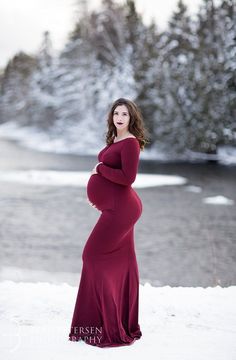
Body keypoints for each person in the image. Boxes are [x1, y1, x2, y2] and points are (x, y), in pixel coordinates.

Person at [68, 98, 149, 347]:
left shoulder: (131, 143)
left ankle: (109, 325)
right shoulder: (115, 139)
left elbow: (127, 178)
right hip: (115, 208)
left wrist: (100, 169)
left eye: (125, 114)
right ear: (111, 117)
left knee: (91, 255)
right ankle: (116, 320)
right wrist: (101, 199)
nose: (120, 117)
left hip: (122, 209)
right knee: (123, 261)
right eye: (116, 113)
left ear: (132, 117)